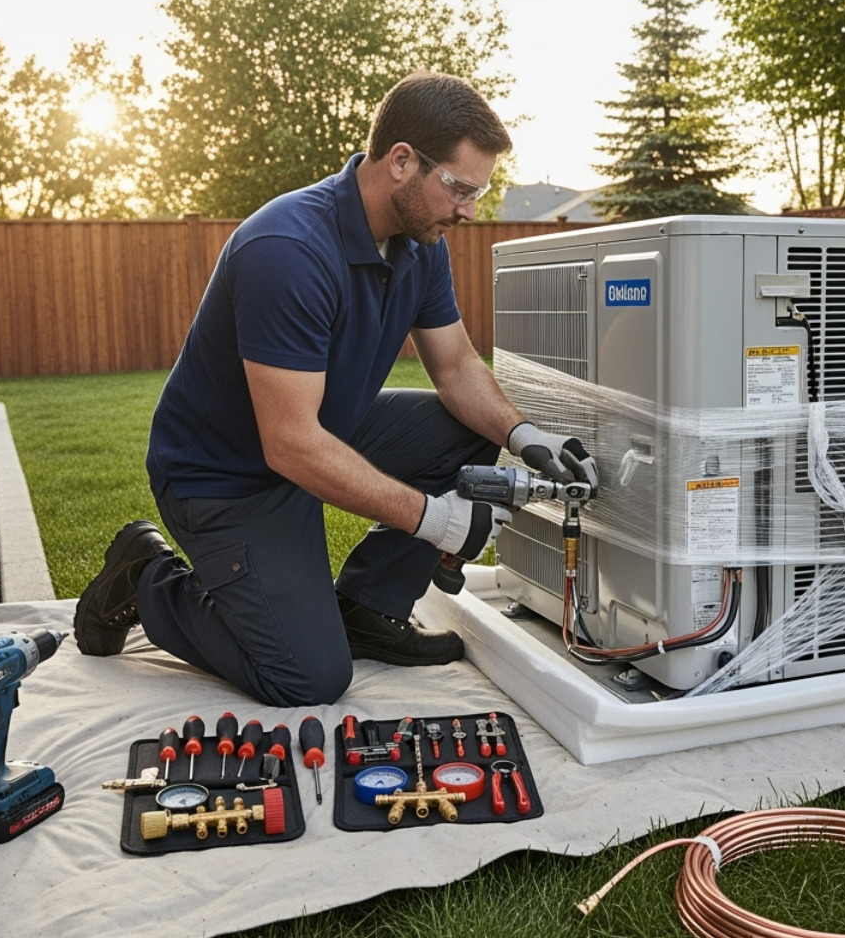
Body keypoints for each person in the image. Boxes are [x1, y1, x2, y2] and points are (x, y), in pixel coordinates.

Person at [72, 71, 599, 707]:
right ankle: (145, 576)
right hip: (224, 477)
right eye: (460, 189)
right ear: (401, 161)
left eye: (478, 192)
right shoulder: (287, 249)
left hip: (317, 430)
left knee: (465, 430)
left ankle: (368, 608)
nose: (469, 210)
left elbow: (457, 368)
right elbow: (291, 446)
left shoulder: (421, 241)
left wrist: (526, 436)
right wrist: (438, 521)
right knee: (308, 677)